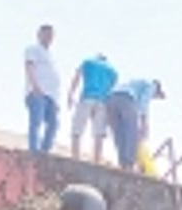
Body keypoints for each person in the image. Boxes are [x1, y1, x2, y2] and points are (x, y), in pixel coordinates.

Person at [65, 54, 118, 163]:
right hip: (102, 102)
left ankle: (76, 157)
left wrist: (70, 94)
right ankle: (96, 160)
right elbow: (112, 91)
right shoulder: (113, 71)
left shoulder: (88, 62)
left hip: (87, 97)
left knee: (77, 129)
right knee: (98, 133)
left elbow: (77, 77)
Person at [105, 79, 165, 172]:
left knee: (119, 134)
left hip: (110, 99)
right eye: (155, 97)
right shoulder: (151, 86)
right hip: (126, 98)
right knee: (132, 134)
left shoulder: (134, 84)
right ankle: (128, 165)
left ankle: (123, 164)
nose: (153, 98)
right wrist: (145, 123)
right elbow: (144, 102)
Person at [24, 25, 60, 154]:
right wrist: (35, 86)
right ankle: (34, 150)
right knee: (36, 121)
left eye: (51, 35)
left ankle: (44, 150)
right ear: (39, 34)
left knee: (54, 124)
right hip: (38, 92)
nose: (48, 37)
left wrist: (56, 100)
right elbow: (29, 66)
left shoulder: (50, 55)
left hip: (51, 96)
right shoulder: (33, 49)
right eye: (46, 34)